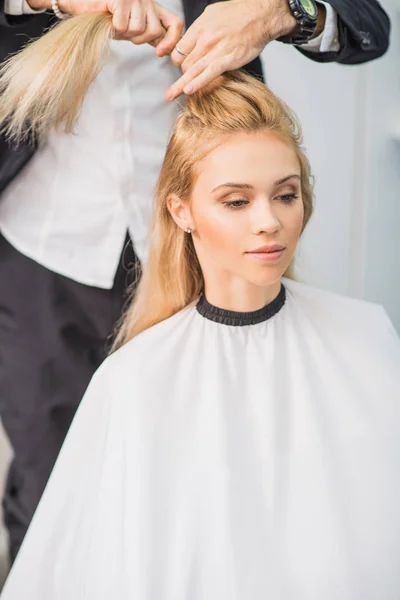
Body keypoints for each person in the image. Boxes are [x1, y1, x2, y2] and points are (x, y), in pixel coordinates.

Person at [0, 0, 391, 563]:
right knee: (50, 496)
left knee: (207, 495)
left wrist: (279, 10)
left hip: (207, 255)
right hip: (46, 246)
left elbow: (368, 25)